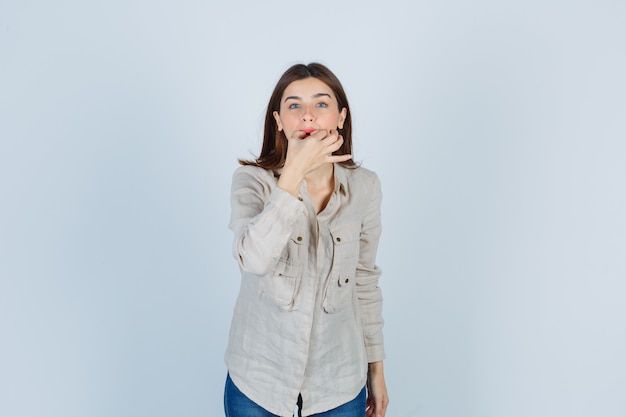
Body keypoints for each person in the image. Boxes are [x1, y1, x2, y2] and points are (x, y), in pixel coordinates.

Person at [224, 62, 389, 417]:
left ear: (341, 117)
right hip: (258, 380)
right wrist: (294, 172)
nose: (308, 116)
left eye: (321, 104)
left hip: (339, 381)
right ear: (278, 121)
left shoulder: (365, 187)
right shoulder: (251, 181)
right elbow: (253, 259)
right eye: (294, 105)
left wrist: (376, 369)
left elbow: (365, 281)